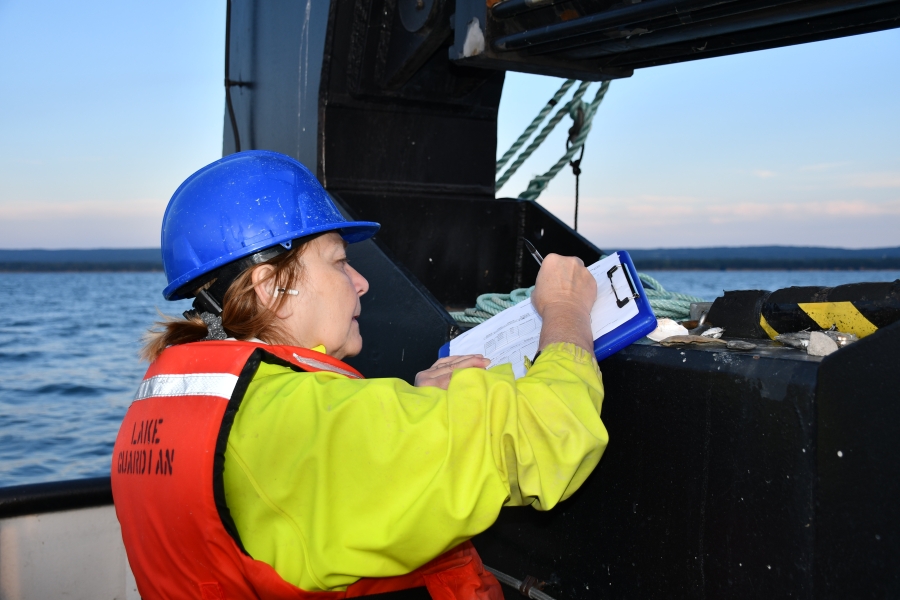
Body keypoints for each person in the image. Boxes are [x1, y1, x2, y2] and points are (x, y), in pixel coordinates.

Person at [111, 150, 608, 600]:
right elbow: (550, 436)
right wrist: (565, 310)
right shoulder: (312, 425)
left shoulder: (169, 407)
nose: (362, 282)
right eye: (340, 262)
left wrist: (413, 407)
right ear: (271, 287)